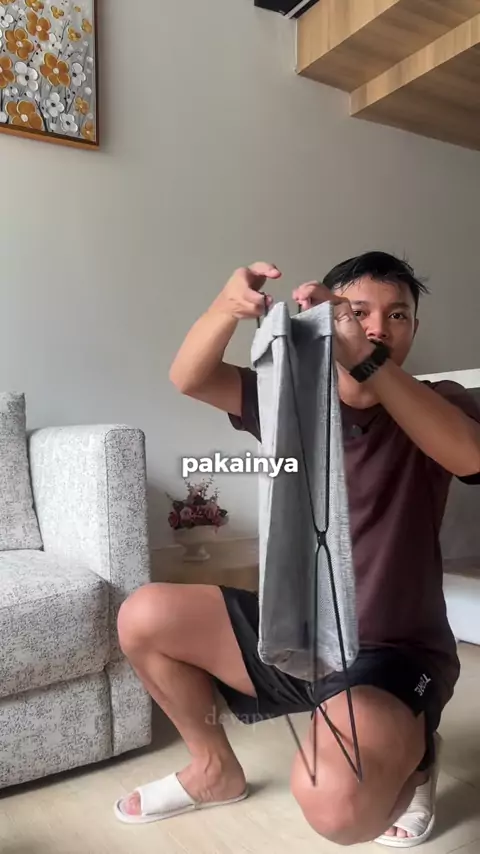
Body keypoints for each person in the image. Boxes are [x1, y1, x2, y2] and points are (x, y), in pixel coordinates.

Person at [113, 252, 480, 847]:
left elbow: (470, 456)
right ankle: (213, 768)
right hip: (296, 636)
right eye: (357, 311)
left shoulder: (435, 402)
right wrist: (226, 307)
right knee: (143, 615)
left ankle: (417, 760)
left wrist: (368, 362)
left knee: (338, 807)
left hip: (391, 655)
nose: (376, 327)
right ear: (326, 319)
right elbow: (190, 377)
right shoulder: (291, 399)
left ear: (413, 330)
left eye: (397, 316)